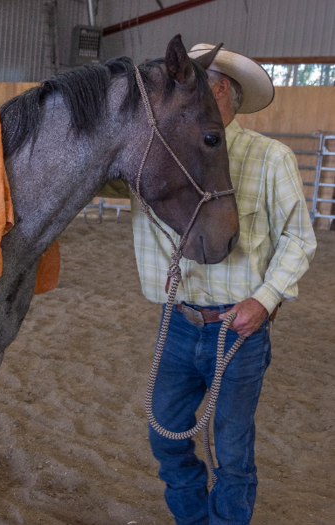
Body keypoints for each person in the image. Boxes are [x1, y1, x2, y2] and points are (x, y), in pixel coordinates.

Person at [125, 44, 317, 524]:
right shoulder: (162, 153)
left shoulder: (271, 158)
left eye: (192, 89)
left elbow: (299, 237)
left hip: (239, 325)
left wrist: (266, 298)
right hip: (180, 320)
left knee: (231, 450)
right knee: (164, 435)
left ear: (221, 90)